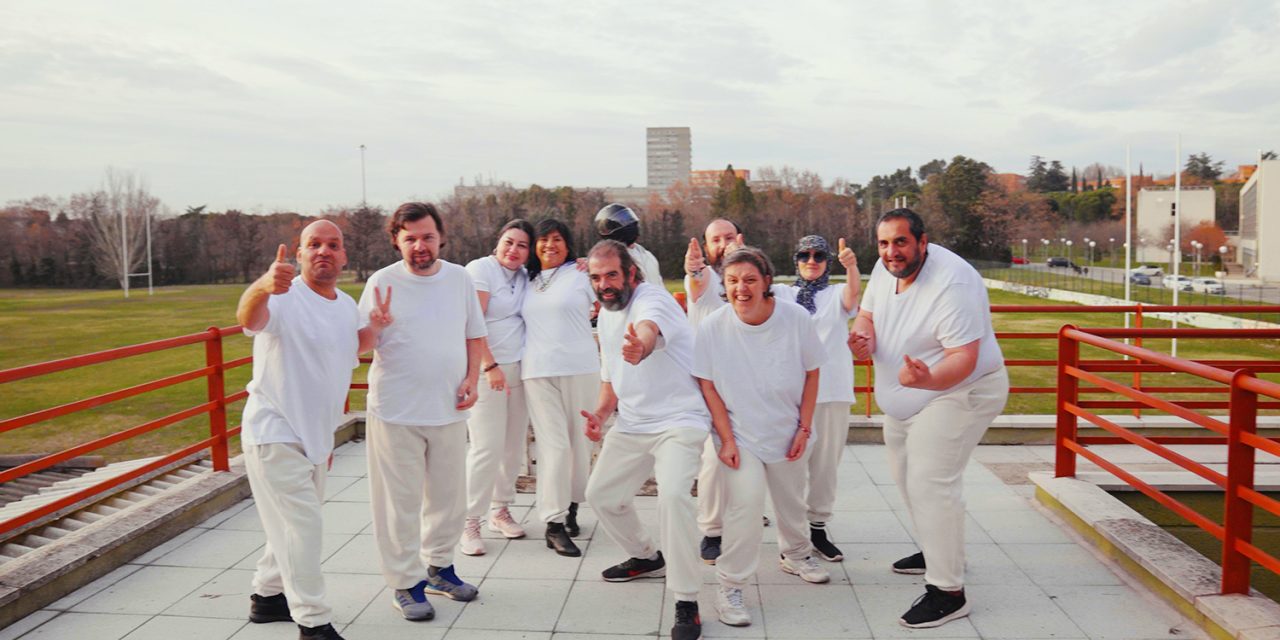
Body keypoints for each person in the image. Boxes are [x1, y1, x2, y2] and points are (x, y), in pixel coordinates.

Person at [848, 208, 1009, 629]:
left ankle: (948, 592)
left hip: (960, 390)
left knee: (929, 480)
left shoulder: (952, 283)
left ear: (923, 241)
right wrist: (863, 336)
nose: (891, 251)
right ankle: (938, 551)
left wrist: (927, 379)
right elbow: (868, 314)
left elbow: (963, 358)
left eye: (901, 241)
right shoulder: (886, 268)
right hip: (910, 397)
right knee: (906, 477)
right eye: (884, 243)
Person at [237, 220, 391, 640]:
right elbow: (248, 317)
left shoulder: (344, 304)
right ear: (300, 253)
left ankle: (267, 597)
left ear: (343, 256)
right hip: (274, 430)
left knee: (290, 524)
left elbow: (347, 347)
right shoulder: (283, 295)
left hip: (314, 438)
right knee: (302, 527)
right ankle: (313, 621)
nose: (324, 251)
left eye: (333, 245)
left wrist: (375, 327)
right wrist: (262, 286)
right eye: (314, 244)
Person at [360, 202, 486, 622]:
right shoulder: (381, 282)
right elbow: (359, 345)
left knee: (449, 499)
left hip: (448, 407)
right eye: (410, 238)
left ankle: (440, 569)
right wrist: (375, 326)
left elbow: (474, 334)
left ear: (440, 237)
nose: (420, 246)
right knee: (400, 503)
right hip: (396, 411)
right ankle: (404, 583)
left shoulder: (459, 278)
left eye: (427, 237)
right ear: (396, 241)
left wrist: (473, 378)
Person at [693, 246, 830, 628]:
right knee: (746, 506)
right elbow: (706, 385)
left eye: (750, 279)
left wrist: (804, 427)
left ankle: (796, 555)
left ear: (767, 281)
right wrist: (726, 440)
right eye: (733, 280)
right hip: (739, 435)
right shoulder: (713, 326)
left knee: (792, 502)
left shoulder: (795, 317)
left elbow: (813, 372)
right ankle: (730, 585)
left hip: (788, 430)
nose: (741, 288)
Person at [581, 240, 708, 640]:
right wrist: (601, 415)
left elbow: (649, 331)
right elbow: (610, 378)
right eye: (596, 278)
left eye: (612, 275)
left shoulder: (654, 300)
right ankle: (646, 556)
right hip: (633, 423)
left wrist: (642, 346)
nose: (604, 285)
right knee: (601, 495)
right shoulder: (605, 315)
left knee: (673, 496)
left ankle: (686, 600)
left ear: (631, 274)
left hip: (680, 419)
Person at [770, 235, 860, 562]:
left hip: (831, 391)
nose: (811, 261)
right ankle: (792, 535)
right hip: (791, 393)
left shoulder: (836, 294)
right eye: (804, 255)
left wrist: (852, 267)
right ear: (795, 260)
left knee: (825, 465)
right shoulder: (782, 293)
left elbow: (852, 297)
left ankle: (818, 528)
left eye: (819, 256)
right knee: (790, 465)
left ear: (828, 261)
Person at [522, 218, 600, 557]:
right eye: (543, 239)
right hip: (537, 371)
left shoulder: (582, 274)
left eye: (557, 239)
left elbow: (617, 293)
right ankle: (552, 524)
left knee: (579, 445)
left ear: (568, 245)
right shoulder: (524, 279)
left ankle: (571, 507)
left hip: (580, 367)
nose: (549, 245)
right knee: (554, 446)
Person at [460, 219, 538, 556]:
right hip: (486, 369)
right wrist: (489, 366)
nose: (514, 250)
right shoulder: (481, 270)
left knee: (512, 447)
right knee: (486, 447)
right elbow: (472, 322)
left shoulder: (524, 276)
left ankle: (500, 509)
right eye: (509, 242)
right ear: (498, 242)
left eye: (522, 245)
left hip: (519, 369)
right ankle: (469, 520)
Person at [682, 218, 750, 565]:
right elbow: (696, 281)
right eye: (715, 240)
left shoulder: (751, 280)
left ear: (741, 238)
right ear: (706, 248)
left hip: (747, 383)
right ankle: (712, 531)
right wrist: (694, 269)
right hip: (709, 386)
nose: (723, 244)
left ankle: (746, 510)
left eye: (729, 237)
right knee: (713, 458)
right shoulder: (705, 278)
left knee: (750, 453)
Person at [594, 202, 664, 286]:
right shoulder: (605, 261)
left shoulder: (648, 256)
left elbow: (659, 286)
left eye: (629, 219)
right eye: (624, 220)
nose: (630, 223)